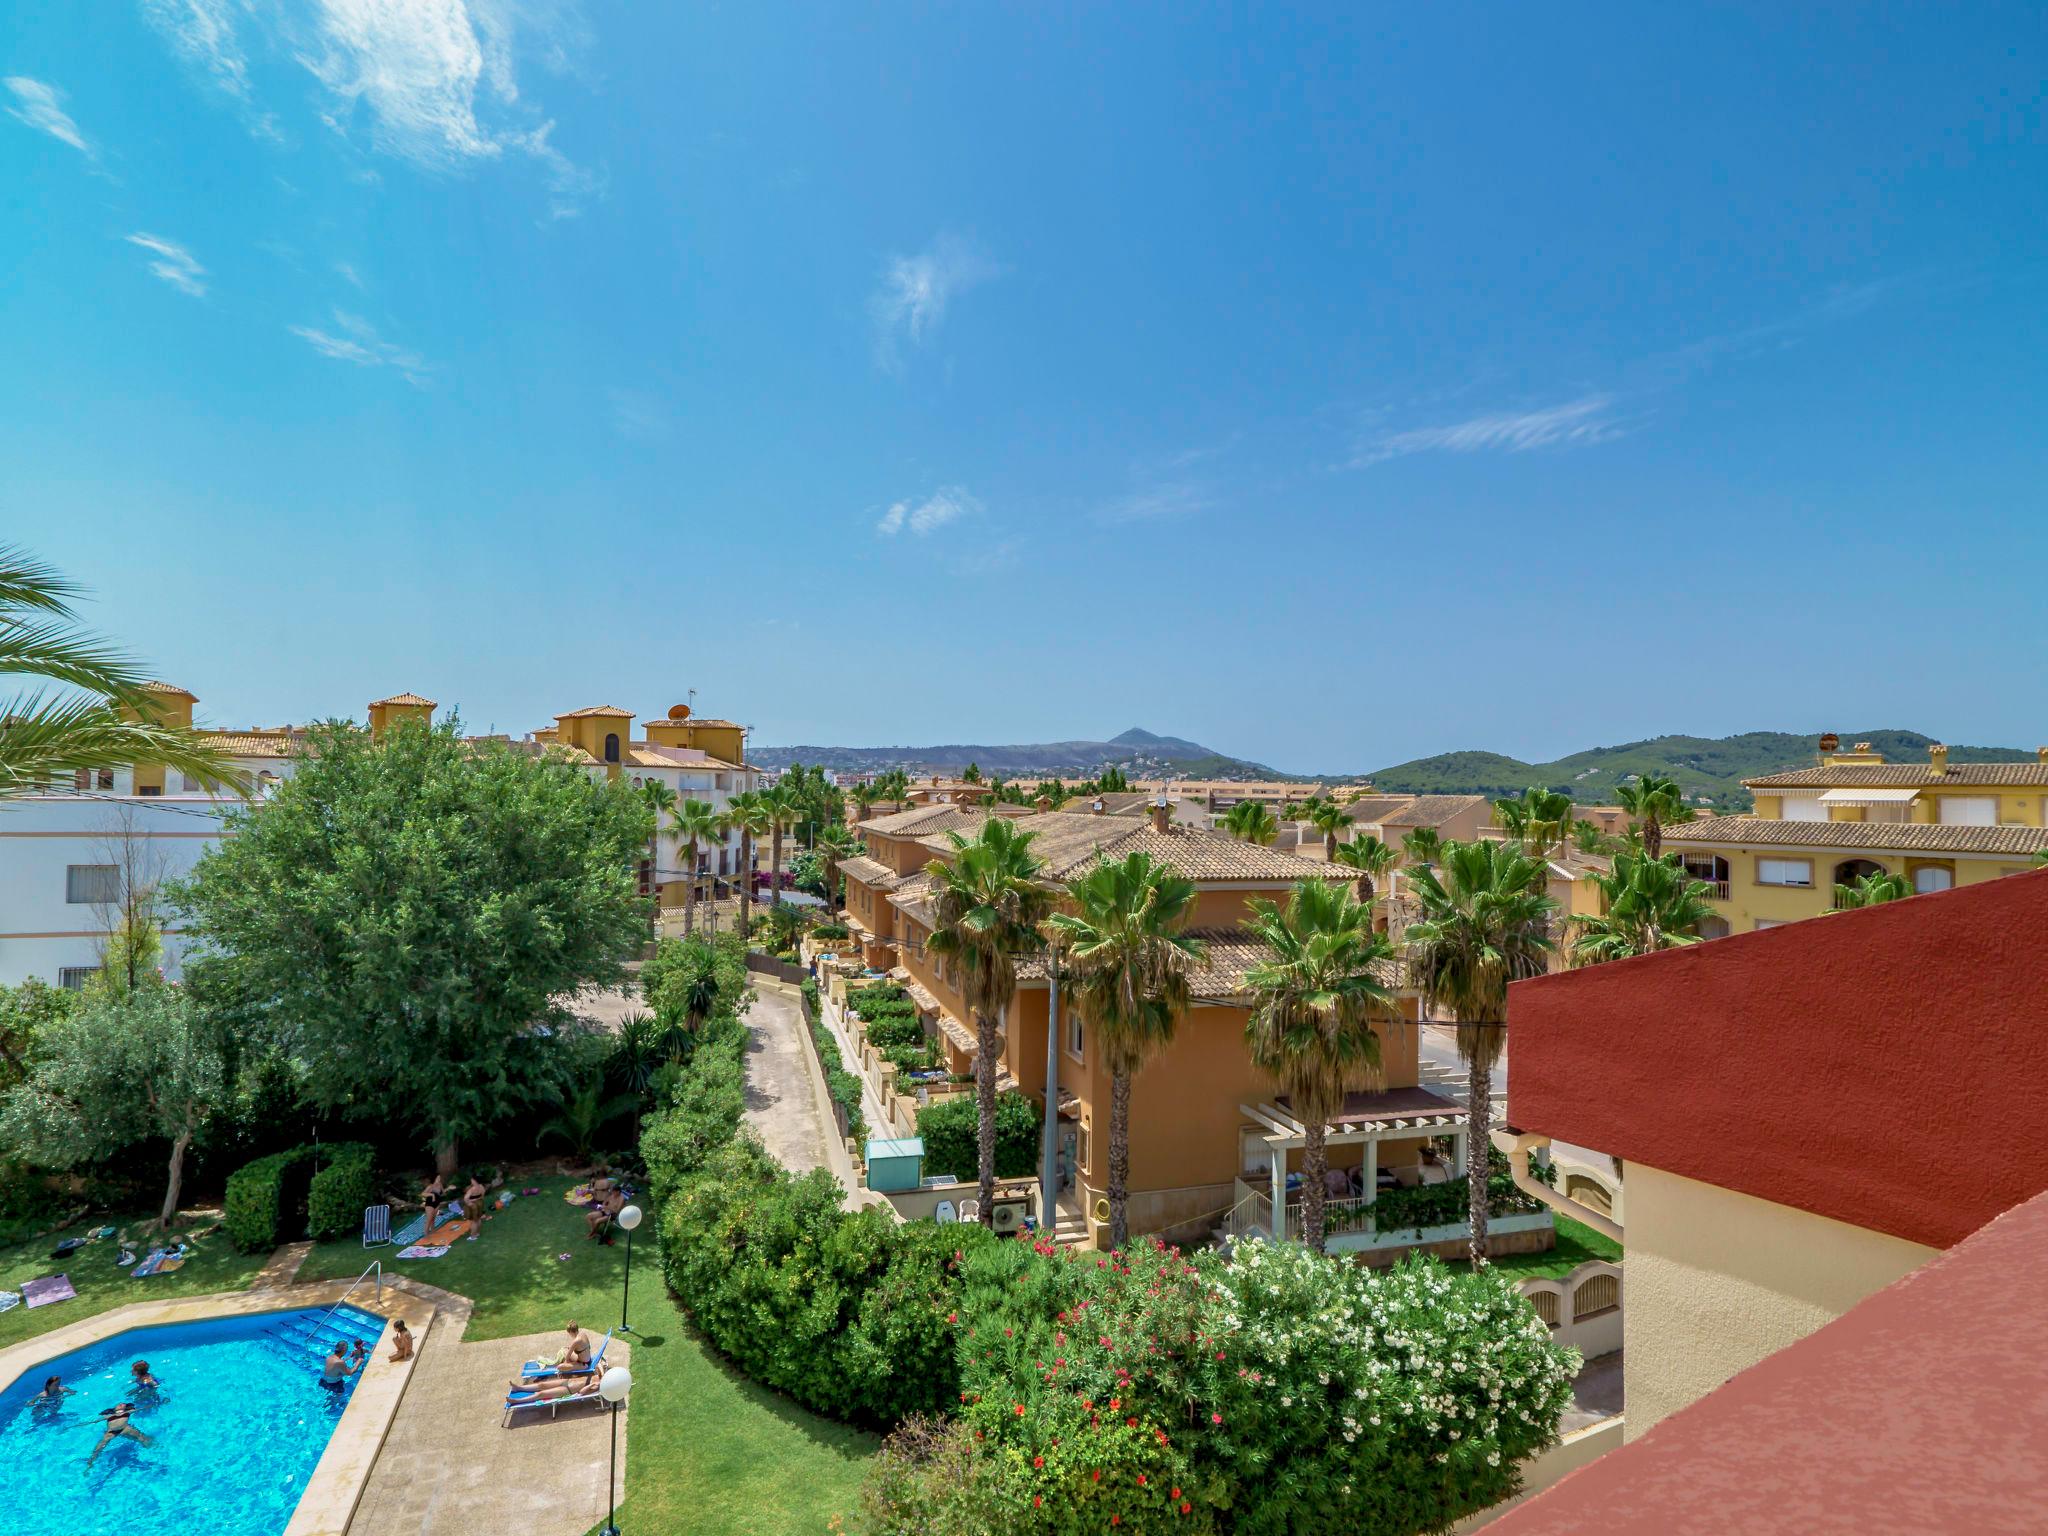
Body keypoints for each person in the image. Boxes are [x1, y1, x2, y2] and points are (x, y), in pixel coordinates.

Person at [512, 1322, 589, 1386]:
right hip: (586, 1359)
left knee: (559, 1367)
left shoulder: (576, 1341)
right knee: (564, 1350)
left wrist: (564, 1366)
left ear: (571, 1332)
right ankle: (552, 1362)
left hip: (583, 1364)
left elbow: (567, 1357)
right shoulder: (583, 1334)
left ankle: (548, 1365)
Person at [85, 1403, 152, 1468]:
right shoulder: (109, 1415)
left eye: (123, 1404)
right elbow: (94, 1421)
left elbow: (140, 1409)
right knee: (98, 1448)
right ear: (114, 1408)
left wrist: (149, 1406)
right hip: (111, 1432)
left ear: (125, 1408)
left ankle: (151, 1448)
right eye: (119, 1404)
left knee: (142, 1437)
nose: (121, 1404)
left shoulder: (128, 1412)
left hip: (125, 1428)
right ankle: (90, 1463)